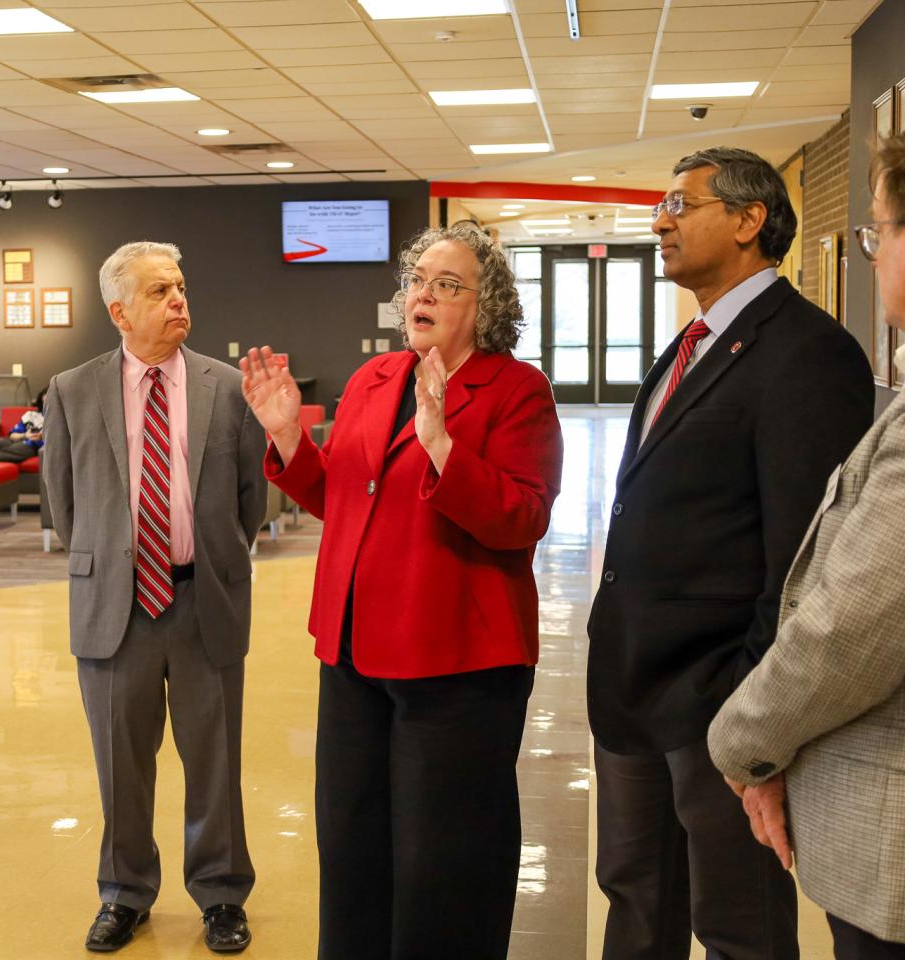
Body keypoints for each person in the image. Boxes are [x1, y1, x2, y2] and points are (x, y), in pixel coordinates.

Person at [240, 222, 563, 959]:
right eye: (419, 281)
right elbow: (346, 495)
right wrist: (290, 440)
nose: (424, 295)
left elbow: (524, 516)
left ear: (486, 307)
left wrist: (442, 444)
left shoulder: (516, 390)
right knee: (351, 846)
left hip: (458, 662)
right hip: (354, 655)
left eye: (447, 285)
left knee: (443, 862)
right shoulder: (373, 380)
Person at [586, 147, 875, 959]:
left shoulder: (806, 353)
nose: (661, 221)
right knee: (634, 894)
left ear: (750, 220)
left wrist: (756, 713)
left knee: (736, 920)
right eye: (661, 206)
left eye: (683, 205)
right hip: (636, 682)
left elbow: (803, 559)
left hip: (721, 697)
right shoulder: (695, 343)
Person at [708, 132, 905, 958]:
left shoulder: (810, 352)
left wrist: (744, 745)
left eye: (877, 231)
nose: (870, 255)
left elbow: (852, 623)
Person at [42, 241, 267, 954]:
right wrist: (113, 561)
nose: (179, 301)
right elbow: (64, 503)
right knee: (121, 765)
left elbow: (249, 501)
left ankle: (222, 895)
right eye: (160, 291)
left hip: (205, 602)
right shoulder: (73, 390)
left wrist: (212, 556)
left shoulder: (227, 388)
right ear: (119, 311)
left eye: (180, 286)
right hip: (115, 610)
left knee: (215, 763)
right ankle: (125, 894)